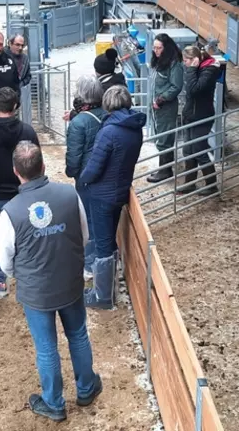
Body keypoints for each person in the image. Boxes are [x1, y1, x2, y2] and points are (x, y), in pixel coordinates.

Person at [0, 141, 103, 423]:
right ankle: (86, 388)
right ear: (43, 166)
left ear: (16, 172)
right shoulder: (70, 194)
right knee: (78, 334)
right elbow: (83, 235)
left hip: (36, 292)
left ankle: (54, 403)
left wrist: (19, 276)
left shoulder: (9, 212)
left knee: (46, 348)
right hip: (69, 282)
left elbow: (5, 260)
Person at [79, 86, 146, 310]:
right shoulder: (135, 127)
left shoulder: (109, 131)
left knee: (103, 244)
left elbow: (95, 167)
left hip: (102, 194)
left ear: (108, 104)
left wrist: (84, 179)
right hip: (119, 191)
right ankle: (106, 288)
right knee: (108, 239)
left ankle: (103, 297)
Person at [0, 87, 39, 299]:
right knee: (27, 238)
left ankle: (0, 283)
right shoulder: (28, 132)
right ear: (16, 106)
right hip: (24, 193)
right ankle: (28, 280)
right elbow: (37, 164)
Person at [64, 75, 106, 281]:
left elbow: (74, 157)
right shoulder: (107, 114)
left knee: (88, 221)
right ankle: (102, 259)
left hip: (85, 177)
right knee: (99, 218)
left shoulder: (78, 123)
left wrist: (71, 172)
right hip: (104, 174)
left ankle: (90, 265)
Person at [178, 45, 219, 196]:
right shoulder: (197, 69)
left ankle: (212, 185)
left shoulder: (209, 71)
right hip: (191, 114)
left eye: (186, 61)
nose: (184, 64)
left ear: (194, 59)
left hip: (202, 116)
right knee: (188, 150)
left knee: (199, 149)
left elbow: (194, 90)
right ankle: (189, 183)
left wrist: (192, 70)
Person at [147, 33, 184, 183]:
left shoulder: (174, 64)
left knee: (165, 137)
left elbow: (176, 86)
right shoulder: (159, 61)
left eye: (159, 48)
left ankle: (165, 170)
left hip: (166, 107)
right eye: (154, 48)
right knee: (160, 135)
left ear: (166, 48)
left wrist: (161, 99)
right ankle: (165, 167)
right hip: (156, 107)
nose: (156, 51)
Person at [64, 48, 127, 122]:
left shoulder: (104, 88)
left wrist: (74, 115)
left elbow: (97, 112)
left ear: (97, 70)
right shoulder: (118, 81)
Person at [5, 34, 32, 123]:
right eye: (17, 45)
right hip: (1, 98)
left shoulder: (25, 58)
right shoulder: (1, 56)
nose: (20, 48)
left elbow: (28, 76)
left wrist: (21, 84)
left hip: (15, 98)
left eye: (22, 45)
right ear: (10, 44)